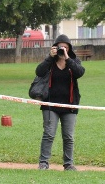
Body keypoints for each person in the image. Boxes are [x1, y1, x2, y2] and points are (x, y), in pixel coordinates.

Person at [36, 34, 85, 171]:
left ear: (69, 48)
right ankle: (43, 163)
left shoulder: (74, 61)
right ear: (55, 47)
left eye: (65, 46)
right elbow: (39, 72)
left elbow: (80, 73)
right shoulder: (50, 62)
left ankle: (68, 164)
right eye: (60, 46)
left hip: (69, 105)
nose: (62, 48)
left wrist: (67, 59)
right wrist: (49, 57)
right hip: (50, 105)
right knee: (49, 134)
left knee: (68, 136)